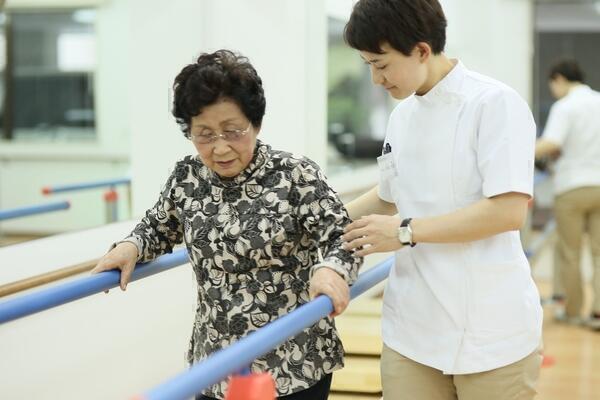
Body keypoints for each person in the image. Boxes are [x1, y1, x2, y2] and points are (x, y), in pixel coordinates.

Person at [91, 49, 362, 400]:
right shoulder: (187, 176)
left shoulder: (295, 175)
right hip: (215, 361)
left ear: (257, 124)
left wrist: (332, 270)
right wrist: (132, 246)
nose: (220, 148)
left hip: (292, 362)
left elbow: (341, 234)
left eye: (233, 131)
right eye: (204, 134)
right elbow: (158, 226)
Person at [339, 1, 543, 399]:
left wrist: (403, 232)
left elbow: (508, 211)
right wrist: (318, 220)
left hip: (492, 333)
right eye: (368, 66)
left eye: (381, 65)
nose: (376, 80)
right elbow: (387, 195)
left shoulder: (494, 104)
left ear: (421, 50)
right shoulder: (402, 116)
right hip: (412, 332)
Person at [535, 59, 600, 330]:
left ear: (559, 79)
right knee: (599, 254)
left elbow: (551, 143)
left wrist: (520, 151)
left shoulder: (566, 106)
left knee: (571, 253)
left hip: (572, 186)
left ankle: (574, 312)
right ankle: (597, 314)